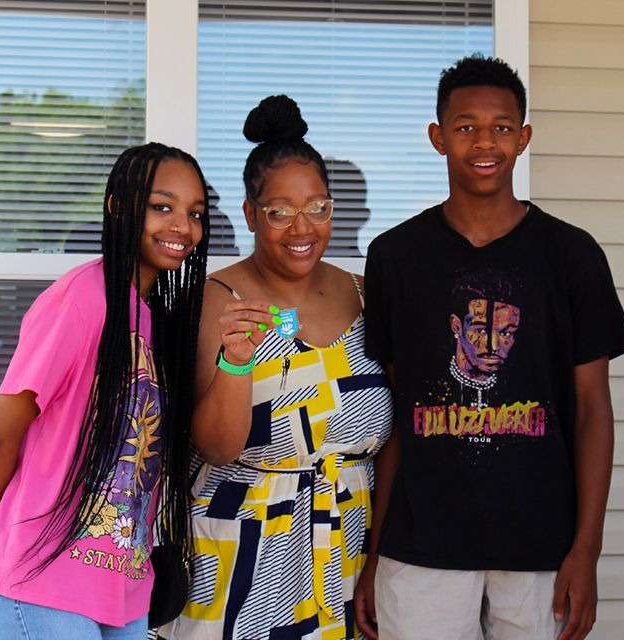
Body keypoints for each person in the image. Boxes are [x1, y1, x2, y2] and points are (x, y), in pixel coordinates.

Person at [357, 55, 624, 640]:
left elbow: (593, 409)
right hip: (421, 551)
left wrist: (587, 549)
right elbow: (395, 418)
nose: (485, 142)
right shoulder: (395, 257)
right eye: (465, 127)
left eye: (502, 127)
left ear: (524, 137)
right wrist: (374, 555)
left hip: (542, 550)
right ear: (438, 138)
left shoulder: (573, 256)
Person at [0, 142, 211, 639]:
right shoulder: (81, 299)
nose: (181, 225)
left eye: (194, 213)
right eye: (162, 206)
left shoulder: (158, 321)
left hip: (123, 585)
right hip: (38, 579)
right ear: (119, 206)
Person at [164, 95, 393, 639]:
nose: (302, 228)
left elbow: (399, 431)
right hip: (241, 553)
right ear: (250, 213)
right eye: (279, 211)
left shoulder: (365, 295)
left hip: (345, 548)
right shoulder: (215, 301)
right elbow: (216, 447)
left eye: (318, 207)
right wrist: (237, 364)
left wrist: (380, 557)